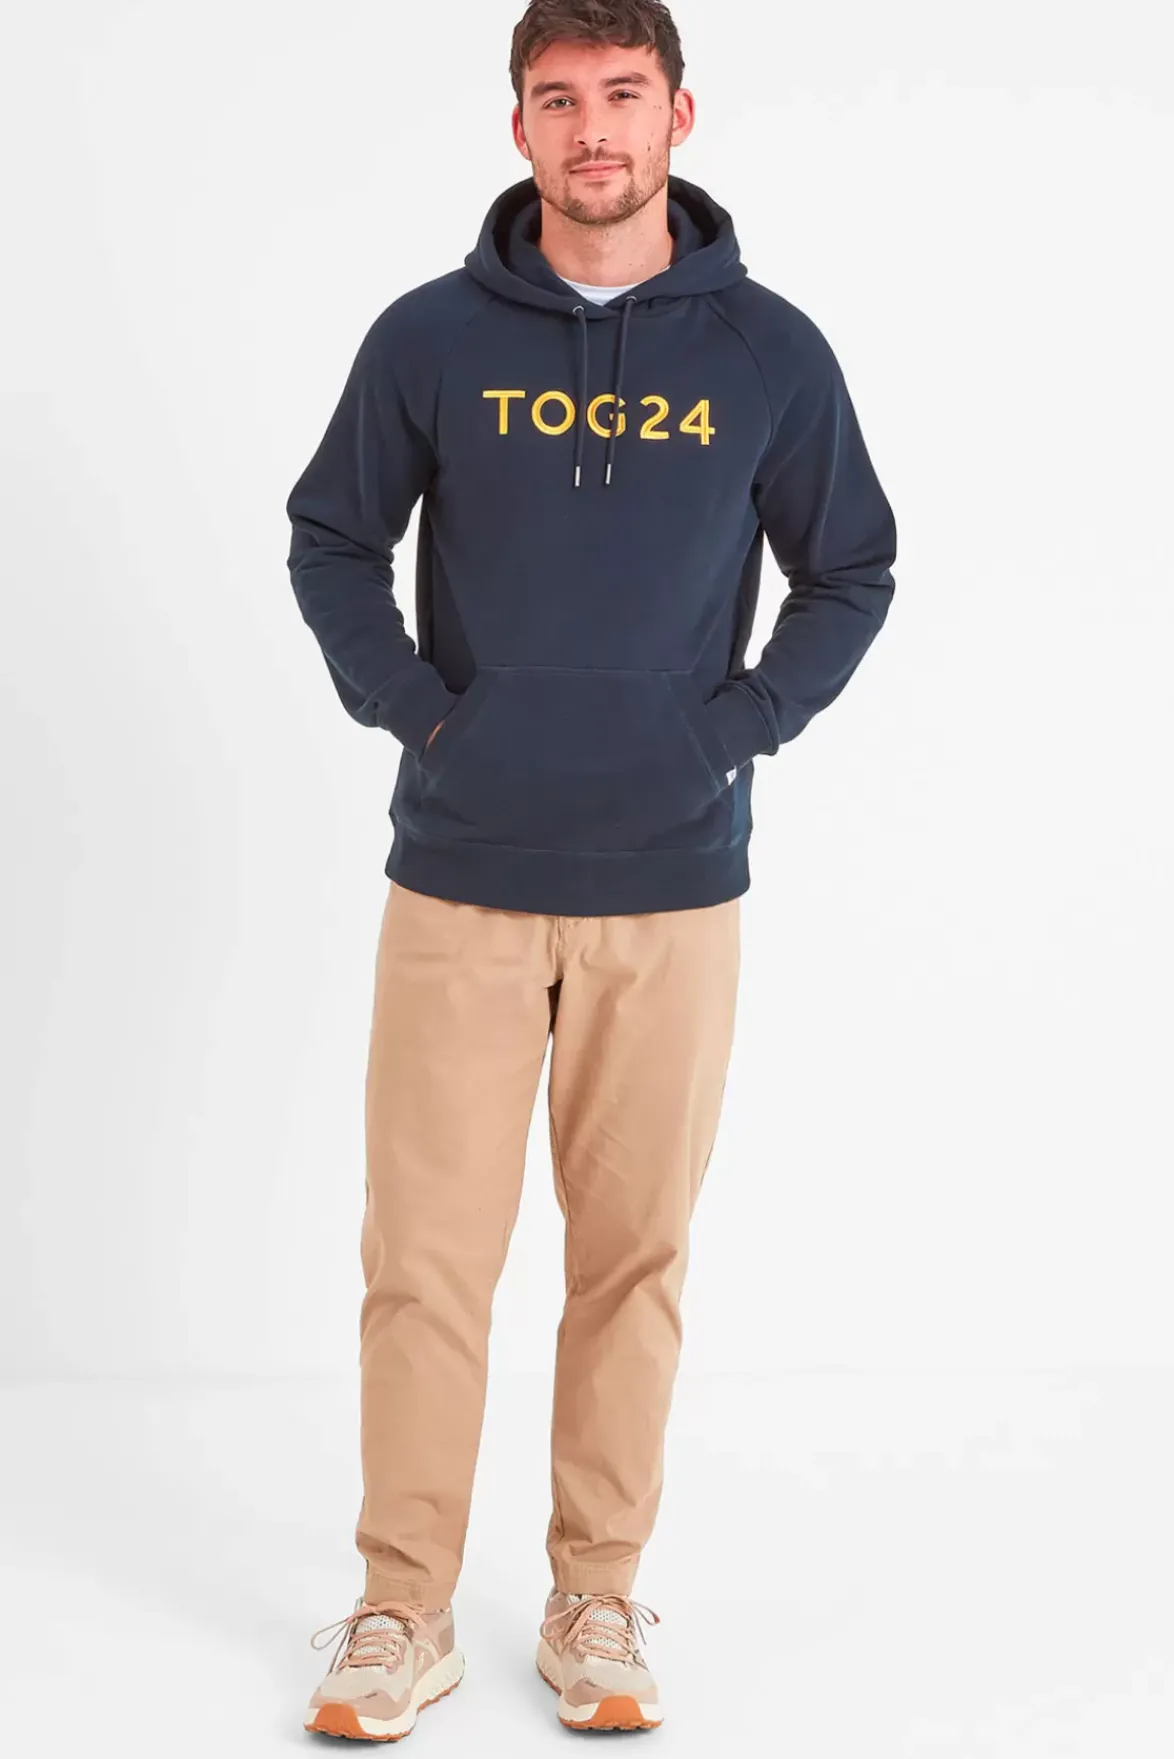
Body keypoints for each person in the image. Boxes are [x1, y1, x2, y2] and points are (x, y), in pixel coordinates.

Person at [287, 0, 897, 1738]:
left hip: (674, 882)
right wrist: (424, 713)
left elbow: (849, 568)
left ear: (679, 115)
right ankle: (400, 1607)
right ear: (519, 130)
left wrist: (735, 728)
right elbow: (331, 539)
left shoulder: (767, 352)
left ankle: (597, 1595)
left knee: (633, 1258)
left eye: (622, 94)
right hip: (458, 877)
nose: (591, 130)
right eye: (557, 100)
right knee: (426, 1260)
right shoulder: (428, 336)